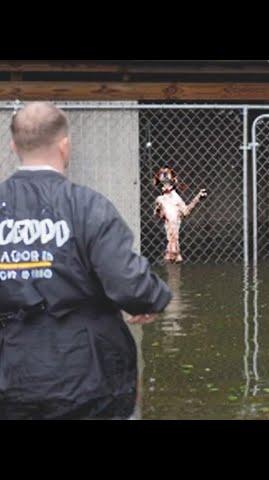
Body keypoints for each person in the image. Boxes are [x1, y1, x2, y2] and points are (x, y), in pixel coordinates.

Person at [0, 101, 172, 419]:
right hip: (91, 375)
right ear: (65, 146)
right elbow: (128, 283)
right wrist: (151, 298)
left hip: (12, 372)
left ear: (14, 146)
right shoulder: (88, 206)